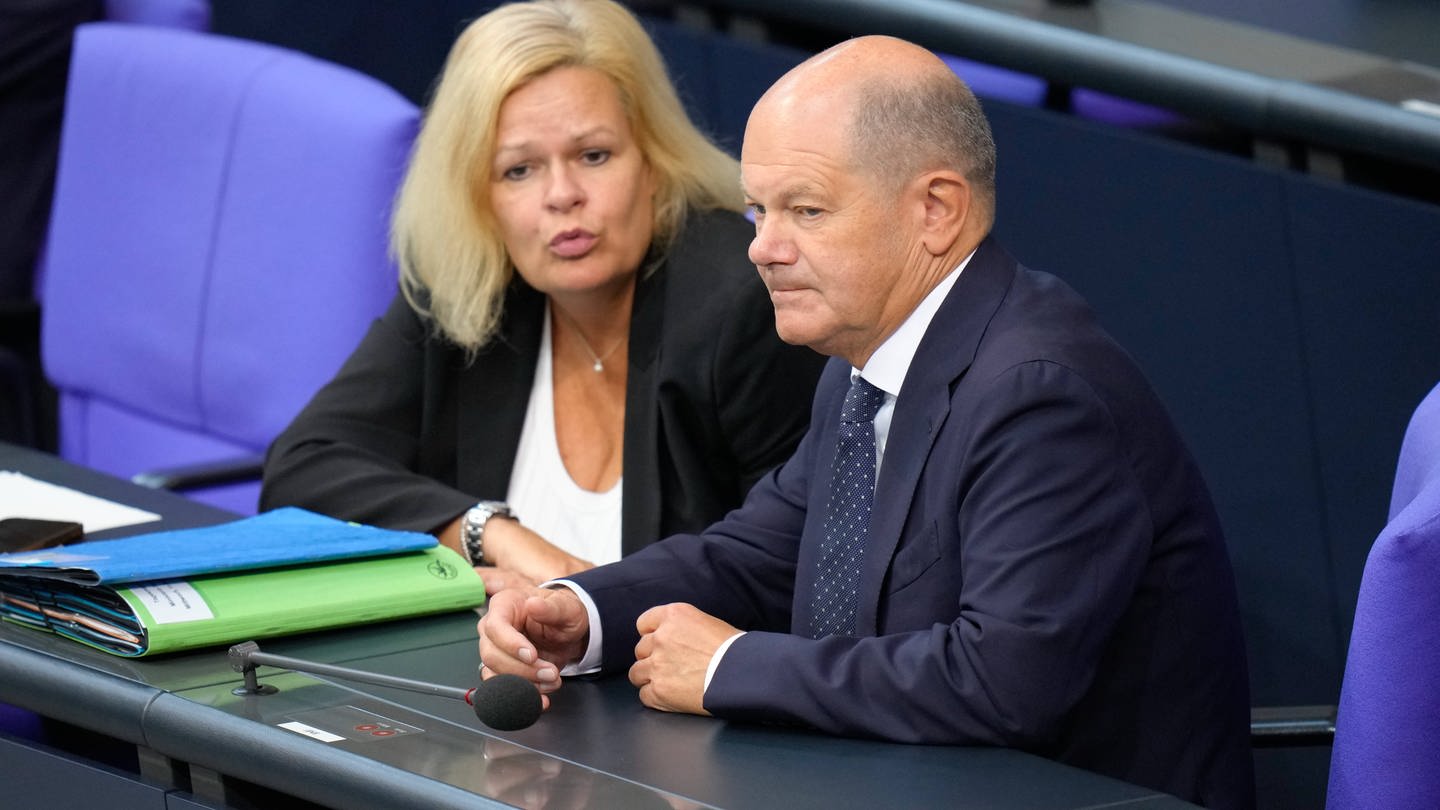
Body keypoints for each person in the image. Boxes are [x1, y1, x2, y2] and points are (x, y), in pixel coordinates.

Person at [477, 35, 1255, 809]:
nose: (764, 249)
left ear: (935, 210)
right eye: (758, 210)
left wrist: (728, 667)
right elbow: (755, 556)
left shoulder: (1040, 395)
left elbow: (1003, 684)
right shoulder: (865, 362)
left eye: (805, 210)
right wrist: (576, 613)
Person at [259, 0, 824, 595]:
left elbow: (785, 567)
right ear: (479, 195)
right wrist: (491, 533)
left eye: (594, 155)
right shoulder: (471, 286)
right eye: (519, 170)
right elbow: (304, 465)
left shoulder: (739, 301)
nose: (562, 195)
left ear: (653, 160)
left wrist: (591, 609)